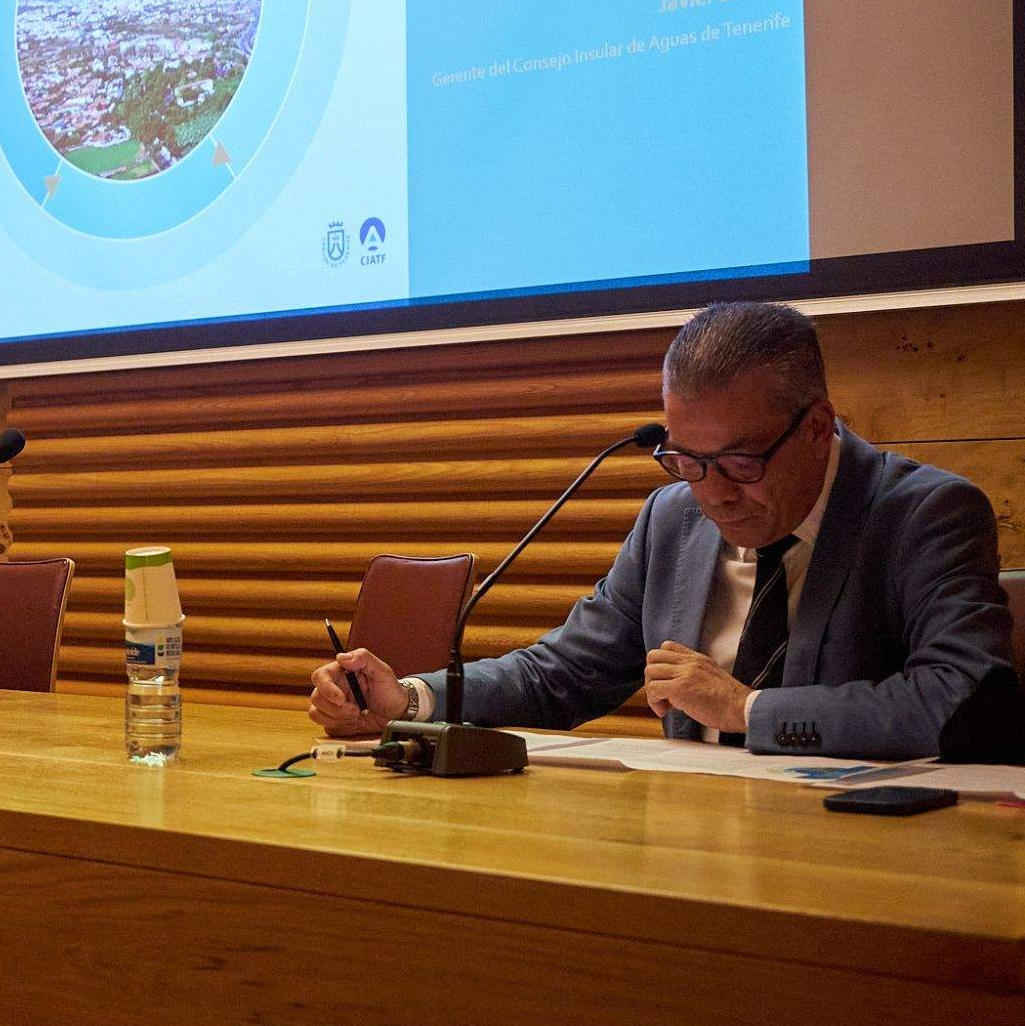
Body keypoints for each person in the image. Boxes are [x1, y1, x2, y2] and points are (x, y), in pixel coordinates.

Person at [308, 302, 1014, 759]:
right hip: (688, 833)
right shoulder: (672, 516)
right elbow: (561, 675)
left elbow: (957, 696)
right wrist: (413, 702)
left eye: (739, 461)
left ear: (818, 429)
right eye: (685, 460)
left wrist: (748, 707)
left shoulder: (924, 514)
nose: (711, 492)